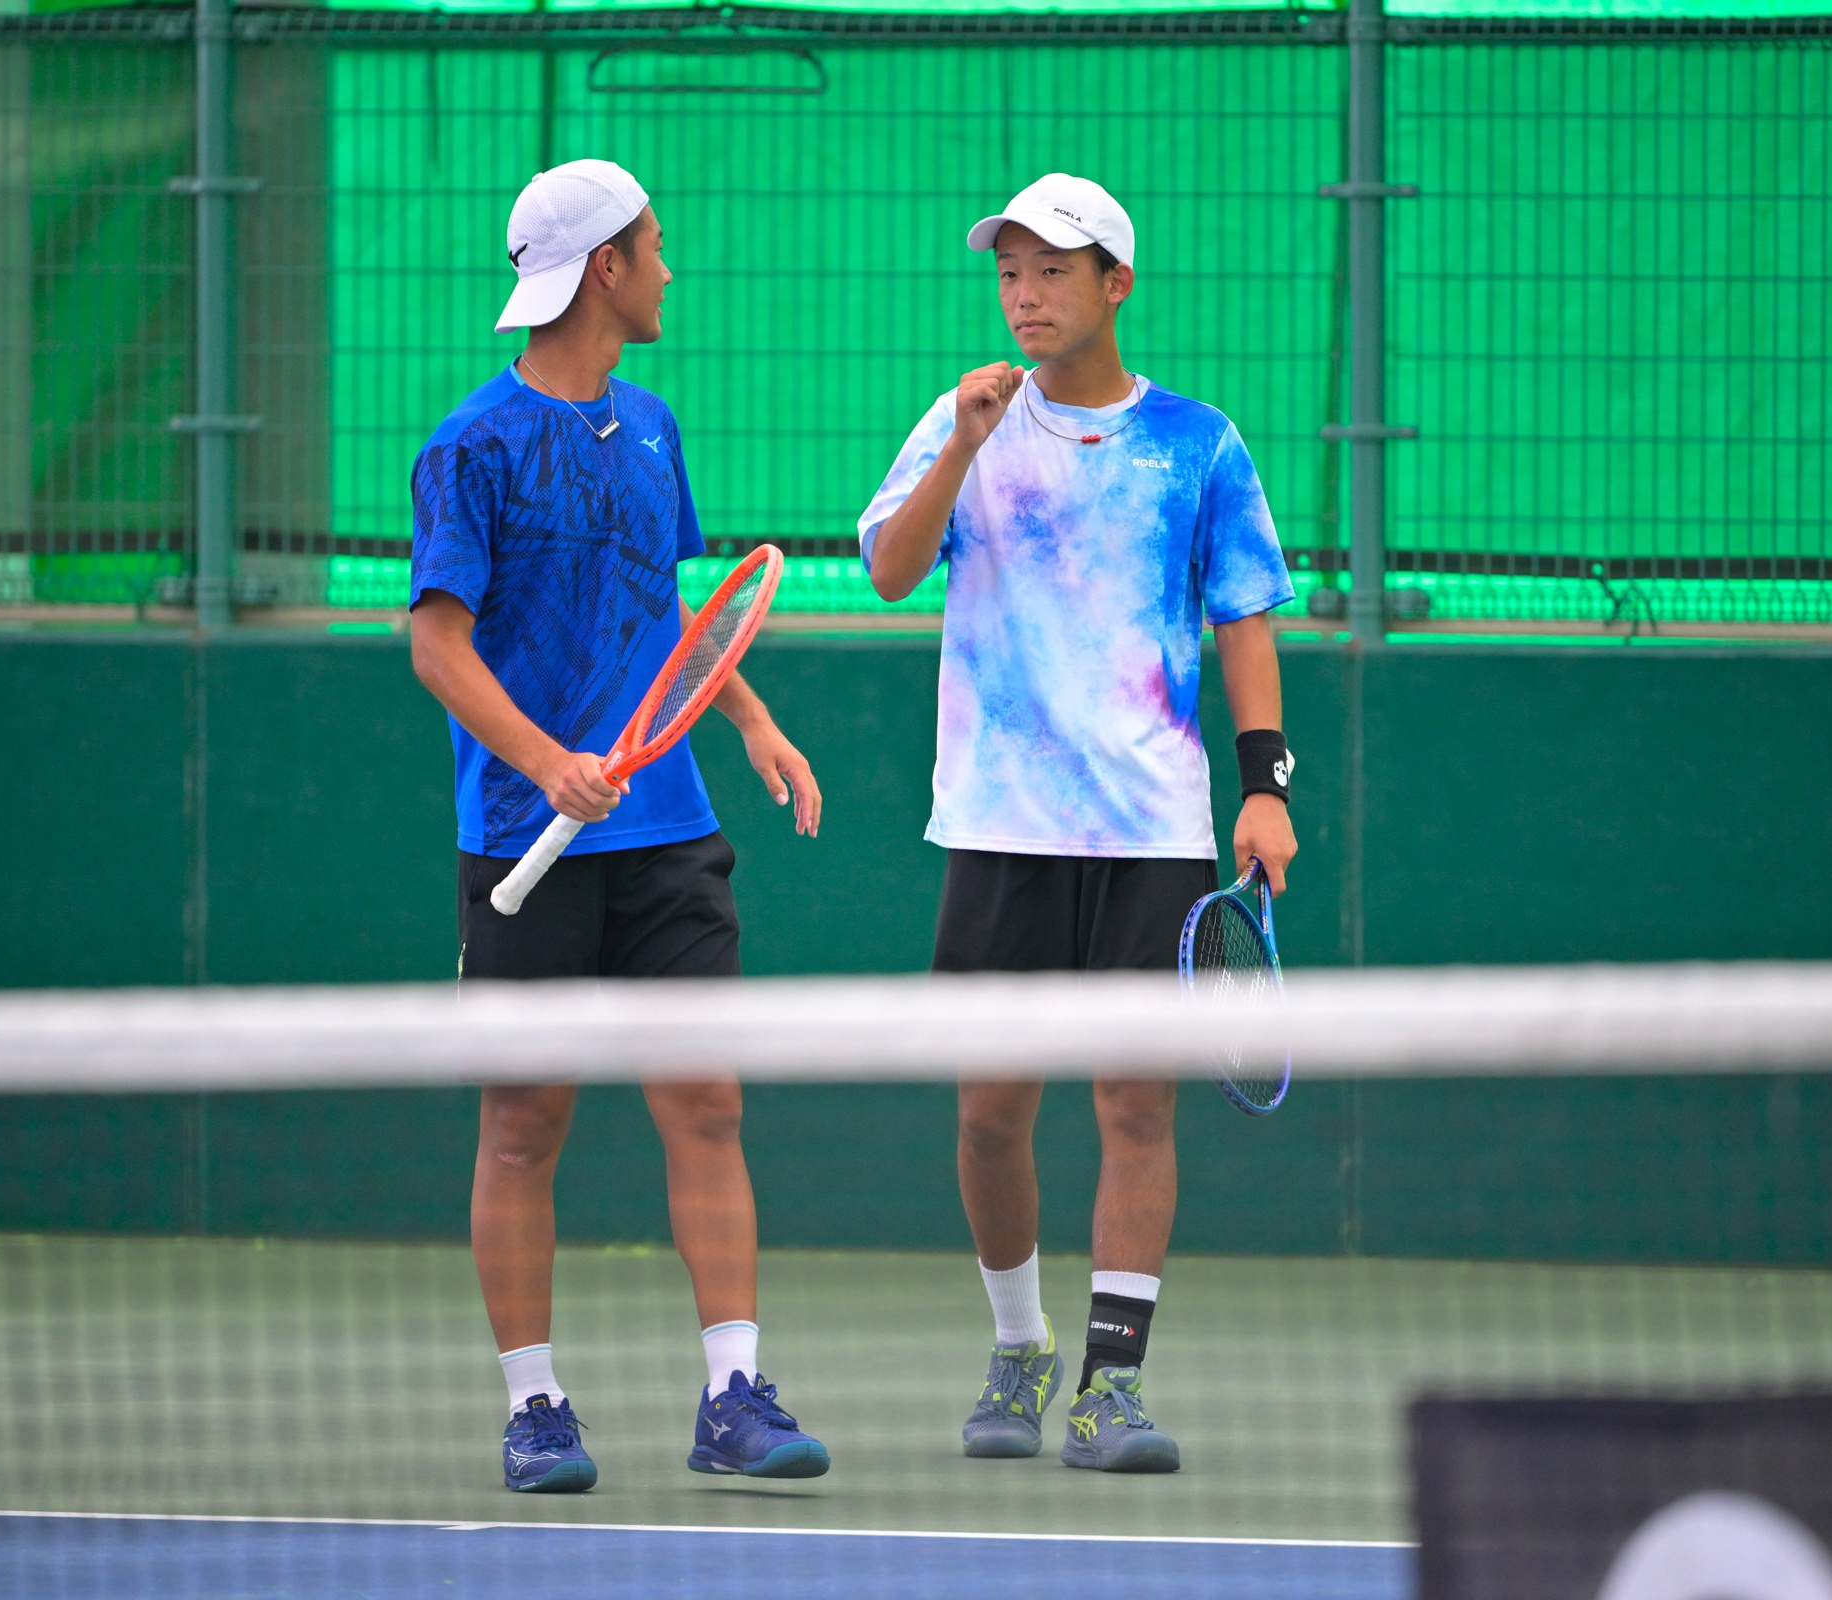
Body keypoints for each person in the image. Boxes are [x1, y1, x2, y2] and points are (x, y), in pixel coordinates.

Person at [856, 173, 1298, 1474]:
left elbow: (1244, 619)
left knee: (1134, 1105)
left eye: (1053, 270)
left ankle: (1113, 1385)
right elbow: (888, 572)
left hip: (1152, 831)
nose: (1026, 294)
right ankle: (1019, 1346)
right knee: (990, 1110)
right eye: (1010, 271)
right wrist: (962, 446)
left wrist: (1266, 786)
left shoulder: (1200, 445)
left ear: (1116, 283)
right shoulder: (965, 420)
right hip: (1000, 825)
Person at [409, 159, 831, 1494]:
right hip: (523, 840)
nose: (668, 271)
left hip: (667, 832)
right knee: (524, 1124)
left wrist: (750, 718)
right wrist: (547, 767)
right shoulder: (470, 447)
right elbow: (435, 645)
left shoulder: (650, 427)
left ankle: (734, 1398)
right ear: (607, 268)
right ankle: (535, 1409)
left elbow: (665, 611)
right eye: (654, 248)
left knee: (706, 1101)